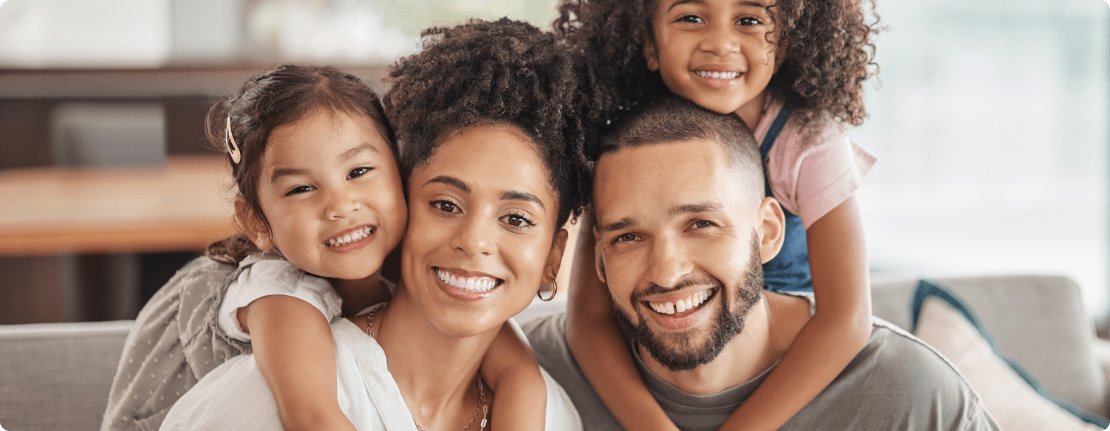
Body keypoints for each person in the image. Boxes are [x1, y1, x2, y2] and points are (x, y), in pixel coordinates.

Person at [159, 18, 595, 430]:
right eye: (445, 204)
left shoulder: (549, 414)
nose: (474, 241)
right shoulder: (269, 389)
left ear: (552, 258)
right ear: (405, 203)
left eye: (517, 218)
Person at [524, 97, 1001, 430]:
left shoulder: (908, 396)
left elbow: (846, 318)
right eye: (628, 237)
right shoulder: (527, 374)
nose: (667, 272)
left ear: (768, 231)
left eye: (701, 224)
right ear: (599, 259)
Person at [551, 0, 880, 429]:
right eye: (691, 17)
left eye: (749, 20)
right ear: (648, 42)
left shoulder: (809, 142)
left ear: (785, 43)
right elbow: (588, 319)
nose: (721, 43)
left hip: (782, 364)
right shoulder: (625, 149)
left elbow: (847, 319)